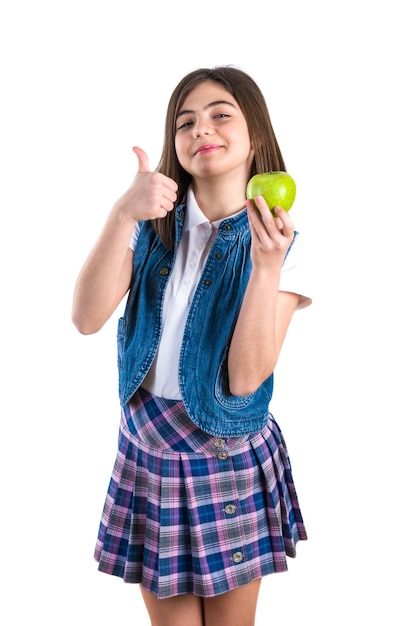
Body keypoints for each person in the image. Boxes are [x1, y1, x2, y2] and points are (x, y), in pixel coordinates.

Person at [72, 65, 312, 626]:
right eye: (185, 121)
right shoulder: (149, 224)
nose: (201, 128)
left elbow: (248, 376)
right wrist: (121, 213)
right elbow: (85, 318)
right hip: (147, 455)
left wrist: (265, 266)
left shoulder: (286, 245)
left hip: (227, 457)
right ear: (173, 145)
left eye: (220, 114)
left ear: (255, 134)